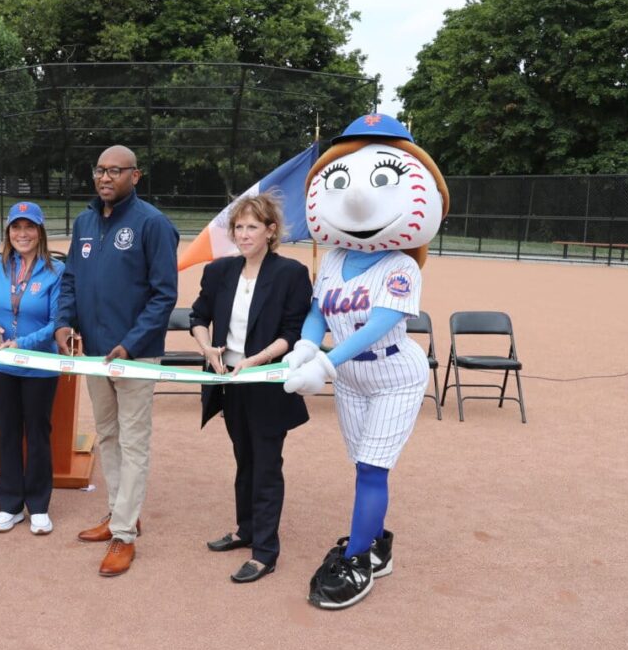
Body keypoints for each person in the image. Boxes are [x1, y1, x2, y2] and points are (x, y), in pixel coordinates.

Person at [282, 113, 450, 609]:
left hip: (395, 373)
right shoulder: (332, 257)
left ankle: (359, 560)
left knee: (373, 470)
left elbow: (379, 325)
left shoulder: (400, 265)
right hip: (352, 378)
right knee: (361, 464)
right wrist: (306, 346)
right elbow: (318, 310)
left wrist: (325, 364)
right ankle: (377, 541)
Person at [55, 145, 179, 576]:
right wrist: (63, 324)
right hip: (93, 354)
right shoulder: (85, 221)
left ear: (135, 176)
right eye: (100, 170)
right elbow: (70, 279)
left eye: (115, 171)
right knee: (107, 435)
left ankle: (125, 535)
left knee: (133, 441)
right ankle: (118, 513)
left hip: (135, 356)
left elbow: (164, 294)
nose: (105, 178)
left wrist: (130, 342)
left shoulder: (153, 224)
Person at [188, 192, 311, 583]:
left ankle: (265, 551)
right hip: (229, 384)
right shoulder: (219, 272)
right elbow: (198, 315)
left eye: (252, 227)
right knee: (244, 460)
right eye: (238, 227)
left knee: (266, 466)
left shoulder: (290, 273)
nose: (243, 234)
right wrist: (206, 346)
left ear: (270, 231)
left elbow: (292, 333)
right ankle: (245, 530)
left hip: (266, 383)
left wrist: (255, 361)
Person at [0, 202, 65, 535]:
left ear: (40, 231)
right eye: (16, 227)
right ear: (8, 232)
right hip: (2, 364)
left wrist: (24, 343)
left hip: (40, 366)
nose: (22, 234)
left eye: (29, 227)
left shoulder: (55, 271)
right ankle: (10, 505)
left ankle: (39, 506)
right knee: (7, 432)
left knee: (38, 433)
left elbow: (58, 320)